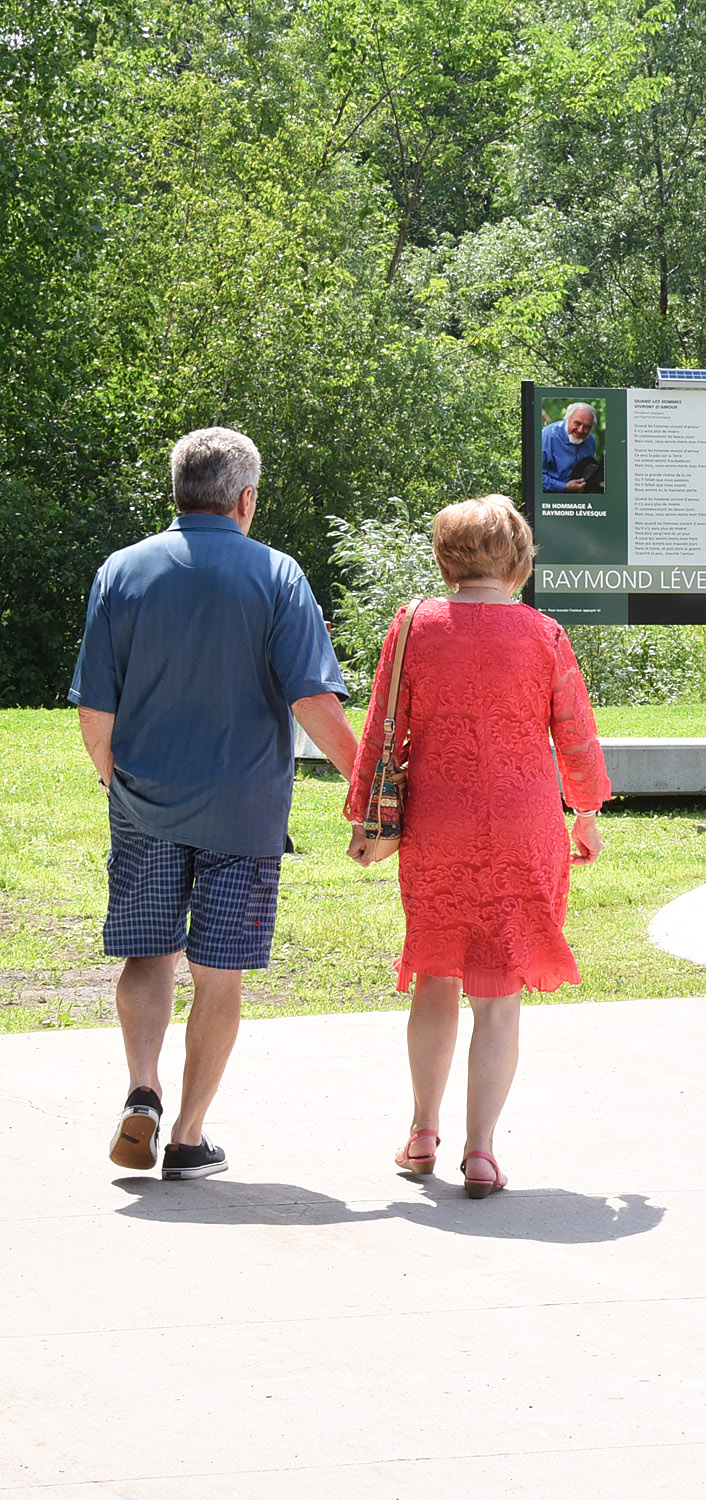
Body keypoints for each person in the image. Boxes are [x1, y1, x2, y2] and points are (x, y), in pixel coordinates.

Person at [69, 427, 357, 1180]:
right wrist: (369, 786)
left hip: (143, 801)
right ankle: (190, 1137)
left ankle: (141, 1088)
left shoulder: (121, 571)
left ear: (179, 492)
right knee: (219, 972)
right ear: (246, 499)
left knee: (147, 950)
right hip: (245, 807)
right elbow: (313, 701)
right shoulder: (277, 574)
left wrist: (115, 783)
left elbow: (94, 711)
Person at [344, 496, 611, 1198]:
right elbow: (575, 734)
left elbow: (379, 728)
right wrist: (584, 812)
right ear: (520, 561)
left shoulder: (414, 627)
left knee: (436, 973)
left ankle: (422, 1132)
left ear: (444, 559)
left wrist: (364, 820)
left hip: (438, 823)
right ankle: (484, 1152)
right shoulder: (546, 635)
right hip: (525, 825)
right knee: (498, 992)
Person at [541, 402, 600, 493]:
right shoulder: (546, 437)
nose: (580, 430)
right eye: (577, 423)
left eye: (587, 427)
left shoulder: (590, 440)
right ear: (567, 420)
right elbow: (534, 477)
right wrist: (564, 487)